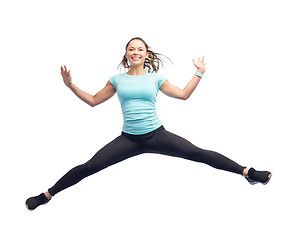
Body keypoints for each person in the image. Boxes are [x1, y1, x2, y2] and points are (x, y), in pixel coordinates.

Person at [25, 37, 272, 210]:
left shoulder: (155, 78)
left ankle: (247, 172)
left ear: (146, 54)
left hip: (156, 134)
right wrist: (70, 85)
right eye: (131, 49)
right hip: (128, 139)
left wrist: (199, 72)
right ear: (126, 54)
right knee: (91, 166)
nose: (135, 52)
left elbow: (184, 94)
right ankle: (47, 195)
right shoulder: (117, 79)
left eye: (140, 49)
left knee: (197, 153)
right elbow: (92, 100)